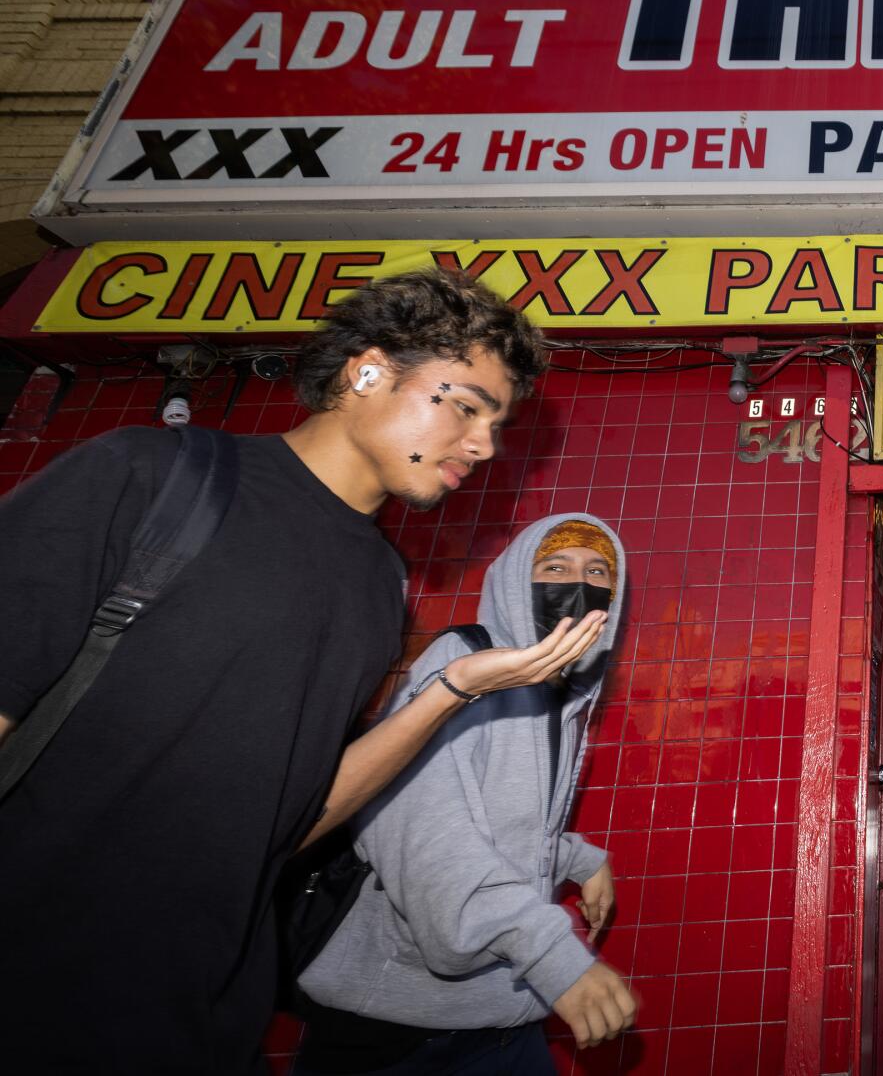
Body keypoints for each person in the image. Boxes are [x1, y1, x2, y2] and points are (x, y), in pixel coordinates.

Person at [0, 267, 607, 1074]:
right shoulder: (154, 476)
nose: (484, 444)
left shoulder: (377, 588)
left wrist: (456, 691)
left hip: (201, 1017)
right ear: (367, 370)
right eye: (465, 404)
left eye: (496, 423)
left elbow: (294, 820)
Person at [295, 514, 639, 1074]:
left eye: (598, 571)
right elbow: (419, 833)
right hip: (400, 1025)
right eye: (555, 566)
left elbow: (500, 817)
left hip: (502, 1012)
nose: (580, 585)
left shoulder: (562, 696)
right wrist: (556, 958)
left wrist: (579, 857)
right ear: (513, 583)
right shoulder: (463, 666)